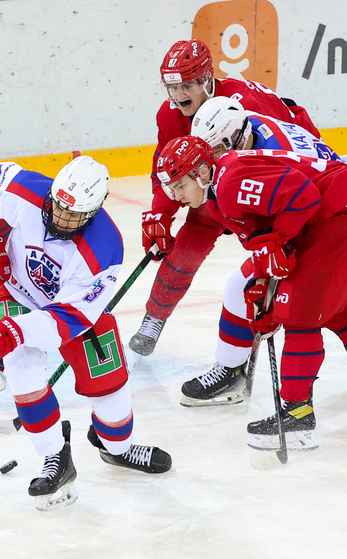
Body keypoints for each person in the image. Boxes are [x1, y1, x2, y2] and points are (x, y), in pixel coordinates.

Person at [0, 156, 172, 512]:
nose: (61, 219)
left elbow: (64, 323)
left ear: (93, 213)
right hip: (13, 292)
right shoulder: (26, 189)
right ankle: (55, 457)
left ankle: (117, 449)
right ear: (52, 194)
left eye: (74, 215)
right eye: (58, 207)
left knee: (111, 392)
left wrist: (11, 332)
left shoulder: (105, 250)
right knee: (23, 374)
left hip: (70, 314)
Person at [129, 39, 321, 360]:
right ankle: (154, 319)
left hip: (277, 173)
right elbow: (171, 166)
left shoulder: (247, 103)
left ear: (206, 79)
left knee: (283, 254)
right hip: (219, 180)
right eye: (171, 87)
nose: (177, 96)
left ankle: (289, 315)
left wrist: (279, 234)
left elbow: (290, 154)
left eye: (187, 85)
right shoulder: (170, 115)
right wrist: (159, 216)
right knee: (189, 244)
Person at [156, 135, 347, 449]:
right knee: (335, 309)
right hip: (326, 217)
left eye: (179, 186)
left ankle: (297, 417)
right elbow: (262, 241)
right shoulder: (217, 201)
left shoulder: (231, 181)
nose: (176, 196)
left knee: (301, 313)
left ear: (201, 173)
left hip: (334, 211)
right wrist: (261, 290)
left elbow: (304, 195)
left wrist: (277, 240)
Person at [177, 96, 343, 405]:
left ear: (230, 141)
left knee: (296, 309)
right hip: (323, 210)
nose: (205, 162)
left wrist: (276, 258)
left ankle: (249, 383)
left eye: (212, 152)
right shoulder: (245, 128)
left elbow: (302, 202)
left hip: (328, 215)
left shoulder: (255, 159)